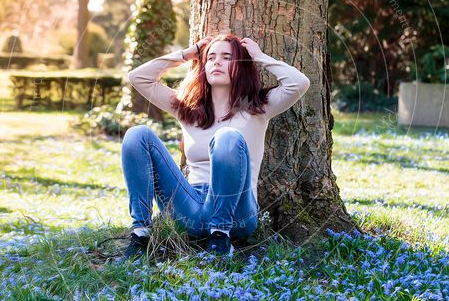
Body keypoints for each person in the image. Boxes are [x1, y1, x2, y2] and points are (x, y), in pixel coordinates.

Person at [120, 33, 310, 260]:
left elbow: (299, 83)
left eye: (227, 57)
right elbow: (138, 77)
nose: (217, 62)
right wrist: (186, 55)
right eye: (211, 57)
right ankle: (140, 234)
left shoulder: (259, 107)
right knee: (137, 134)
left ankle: (220, 237)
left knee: (227, 137)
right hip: (191, 207)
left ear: (241, 66)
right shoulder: (187, 108)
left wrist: (259, 57)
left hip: (237, 214)